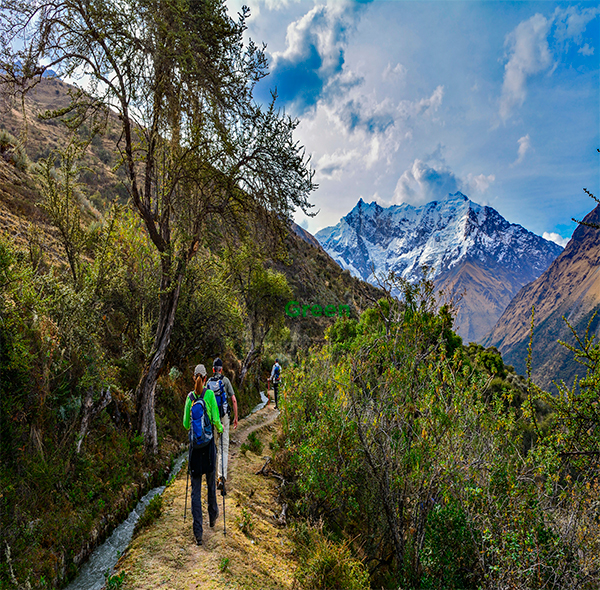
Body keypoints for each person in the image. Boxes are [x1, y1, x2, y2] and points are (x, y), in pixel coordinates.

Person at [182, 364, 223, 546]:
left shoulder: (189, 398)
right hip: (208, 449)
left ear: (194, 378)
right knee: (211, 484)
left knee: (195, 492)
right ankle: (213, 516)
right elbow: (216, 420)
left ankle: (198, 533)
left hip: (194, 450)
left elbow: (185, 424)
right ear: (205, 378)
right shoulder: (209, 395)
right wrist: (220, 428)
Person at [208, 357, 238, 494]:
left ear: (213, 369)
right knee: (223, 447)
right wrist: (236, 418)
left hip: (213, 419)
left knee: (213, 446)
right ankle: (221, 477)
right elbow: (234, 400)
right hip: (224, 418)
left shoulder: (208, 382)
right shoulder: (225, 381)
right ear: (221, 369)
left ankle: (213, 476)